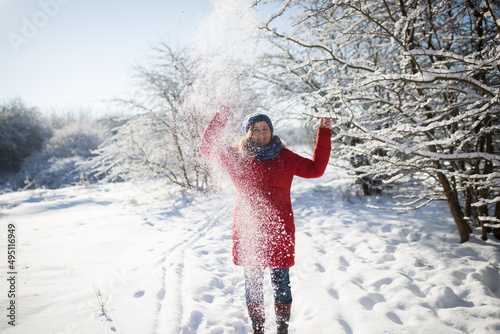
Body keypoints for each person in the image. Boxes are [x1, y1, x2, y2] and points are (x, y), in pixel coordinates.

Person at [199, 105, 332, 334]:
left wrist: (324, 134)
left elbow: (315, 169)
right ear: (247, 133)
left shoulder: (285, 157)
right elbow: (206, 147)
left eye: (265, 128)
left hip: (280, 229)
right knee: (253, 284)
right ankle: (258, 329)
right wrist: (221, 117)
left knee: (281, 284)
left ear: (271, 130)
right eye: (255, 129)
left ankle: (282, 329)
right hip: (249, 230)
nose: (261, 133)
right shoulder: (236, 157)